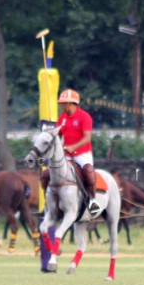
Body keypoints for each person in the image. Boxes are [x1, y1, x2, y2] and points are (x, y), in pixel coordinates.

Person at [41, 88, 101, 217]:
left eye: (63, 103)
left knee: (89, 172)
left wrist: (73, 147)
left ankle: (92, 201)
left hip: (82, 154)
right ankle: (48, 204)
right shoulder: (62, 118)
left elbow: (87, 138)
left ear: (71, 103)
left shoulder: (84, 117)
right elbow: (58, 137)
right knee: (45, 174)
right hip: (65, 155)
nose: (61, 105)